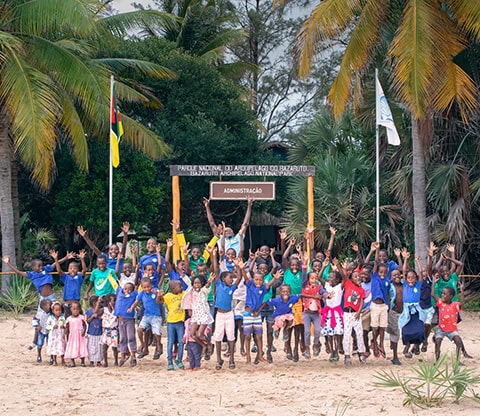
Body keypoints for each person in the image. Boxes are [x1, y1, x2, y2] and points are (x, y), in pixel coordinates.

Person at [239, 263, 278, 365]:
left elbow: (269, 285)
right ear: (253, 280)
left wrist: (275, 279)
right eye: (256, 279)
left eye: (260, 280)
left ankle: (260, 355)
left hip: (257, 315)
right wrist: (242, 268)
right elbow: (246, 278)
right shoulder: (250, 284)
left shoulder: (263, 288)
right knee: (247, 336)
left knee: (259, 336)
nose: (258, 281)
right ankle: (248, 357)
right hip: (248, 314)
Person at [431, 275, 468, 362]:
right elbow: (433, 294)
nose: (442, 295)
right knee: (438, 342)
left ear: (451, 296)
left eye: (444, 294)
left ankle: (458, 361)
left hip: (452, 330)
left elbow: (462, 302)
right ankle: (437, 360)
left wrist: (462, 291)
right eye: (442, 293)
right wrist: (433, 283)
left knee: (458, 342)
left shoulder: (455, 305)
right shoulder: (440, 303)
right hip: (441, 329)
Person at [280, 232, 305, 362]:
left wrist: (300, 253)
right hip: (287, 301)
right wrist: (289, 244)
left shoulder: (302, 273)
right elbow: (284, 257)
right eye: (292, 265)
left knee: (298, 327)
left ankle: (296, 348)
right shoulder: (287, 271)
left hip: (299, 301)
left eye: (297, 265)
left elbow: (304, 262)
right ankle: (288, 347)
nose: (294, 267)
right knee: (289, 325)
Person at [213, 268, 243, 370]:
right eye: (230, 278)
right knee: (218, 336)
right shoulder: (219, 285)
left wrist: (239, 267)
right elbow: (215, 267)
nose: (232, 280)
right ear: (223, 279)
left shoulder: (232, 288)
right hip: (220, 315)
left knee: (231, 335)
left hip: (229, 314)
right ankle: (218, 359)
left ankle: (231, 359)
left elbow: (239, 277)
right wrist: (213, 254)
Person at [398, 250, 426, 358]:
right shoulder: (404, 284)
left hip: (417, 310)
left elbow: (420, 273)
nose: (410, 280)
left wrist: (417, 261)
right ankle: (406, 349)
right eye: (409, 278)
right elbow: (404, 271)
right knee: (406, 331)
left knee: (419, 330)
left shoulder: (418, 285)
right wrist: (405, 259)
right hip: (407, 311)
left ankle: (417, 346)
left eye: (413, 278)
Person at [128, 277, 163, 361]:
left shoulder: (155, 291)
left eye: (148, 286)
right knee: (139, 330)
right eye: (145, 287)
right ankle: (143, 344)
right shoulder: (142, 293)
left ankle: (158, 345)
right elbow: (136, 301)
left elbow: (160, 301)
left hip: (156, 315)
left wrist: (158, 295)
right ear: (142, 287)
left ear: (151, 285)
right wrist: (131, 308)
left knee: (156, 332)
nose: (147, 289)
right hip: (146, 315)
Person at [265, 284, 301, 360]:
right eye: (283, 291)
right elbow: (267, 302)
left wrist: (314, 296)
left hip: (287, 317)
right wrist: (258, 310)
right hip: (278, 317)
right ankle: (277, 330)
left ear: (290, 292)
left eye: (287, 291)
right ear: (280, 292)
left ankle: (285, 331)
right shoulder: (277, 300)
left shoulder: (292, 298)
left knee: (291, 319)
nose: (285, 293)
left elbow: (301, 295)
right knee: (283, 320)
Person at [369, 242, 391, 359]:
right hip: (375, 306)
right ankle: (375, 344)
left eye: (384, 272)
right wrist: (376, 250)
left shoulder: (387, 280)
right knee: (375, 327)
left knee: (383, 327)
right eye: (380, 272)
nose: (382, 274)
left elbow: (387, 293)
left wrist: (388, 305)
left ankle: (381, 344)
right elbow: (377, 263)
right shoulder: (374, 276)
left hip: (383, 306)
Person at [302, 268, 328, 360]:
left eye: (316, 278)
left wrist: (327, 295)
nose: (314, 280)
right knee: (307, 332)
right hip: (307, 313)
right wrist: (304, 266)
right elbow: (304, 276)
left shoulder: (319, 288)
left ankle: (315, 344)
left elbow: (324, 292)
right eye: (312, 278)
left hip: (316, 314)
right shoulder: (305, 287)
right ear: (308, 280)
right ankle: (307, 347)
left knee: (317, 331)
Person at [51, 249, 86, 317]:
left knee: (78, 320)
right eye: (70, 268)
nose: (72, 269)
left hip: (76, 304)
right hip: (67, 304)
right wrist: (56, 259)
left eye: (74, 268)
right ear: (68, 270)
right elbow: (59, 271)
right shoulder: (66, 277)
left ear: (77, 270)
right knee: (67, 322)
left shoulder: (79, 277)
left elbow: (84, 270)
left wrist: (82, 259)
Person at [342, 271, 367, 365]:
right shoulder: (348, 284)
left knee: (359, 333)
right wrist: (339, 266)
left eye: (358, 276)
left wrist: (359, 312)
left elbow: (361, 302)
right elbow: (343, 275)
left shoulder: (361, 290)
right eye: (355, 276)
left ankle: (361, 353)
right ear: (351, 279)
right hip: (347, 314)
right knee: (347, 334)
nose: (357, 278)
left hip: (356, 314)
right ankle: (347, 355)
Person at [321, 269, 345, 362]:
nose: (329, 279)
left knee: (338, 332)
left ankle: (337, 348)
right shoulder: (327, 285)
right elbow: (319, 277)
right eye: (329, 277)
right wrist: (325, 266)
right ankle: (332, 351)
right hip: (328, 313)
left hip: (337, 312)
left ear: (337, 280)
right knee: (329, 333)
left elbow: (344, 278)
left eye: (332, 277)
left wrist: (340, 268)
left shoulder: (339, 287)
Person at [163, 280, 187, 371]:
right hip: (171, 322)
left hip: (180, 322)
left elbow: (189, 289)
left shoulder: (183, 294)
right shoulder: (168, 296)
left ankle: (179, 360)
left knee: (181, 342)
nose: (181, 288)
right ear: (173, 288)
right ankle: (169, 361)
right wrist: (159, 295)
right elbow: (159, 301)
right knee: (170, 342)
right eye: (179, 286)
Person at [114, 282, 138, 367]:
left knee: (131, 337)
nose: (127, 290)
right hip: (120, 321)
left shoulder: (133, 295)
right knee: (122, 338)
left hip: (129, 321)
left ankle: (133, 356)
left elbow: (138, 286)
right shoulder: (119, 292)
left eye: (129, 289)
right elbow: (115, 282)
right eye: (125, 289)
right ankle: (123, 356)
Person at [386, 268, 403, 365]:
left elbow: (404, 271)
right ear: (391, 278)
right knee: (395, 333)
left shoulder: (404, 285)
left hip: (404, 312)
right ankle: (395, 356)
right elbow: (388, 297)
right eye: (394, 275)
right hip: (393, 311)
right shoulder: (390, 286)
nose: (396, 277)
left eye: (398, 275)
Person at [64, 301, 88, 367]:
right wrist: (66, 334)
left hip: (80, 336)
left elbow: (84, 325)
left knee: (81, 347)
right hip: (72, 336)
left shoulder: (81, 317)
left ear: (79, 309)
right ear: (70, 310)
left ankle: (82, 361)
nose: (75, 311)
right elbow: (67, 327)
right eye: (74, 309)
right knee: (72, 347)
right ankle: (72, 361)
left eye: (77, 309)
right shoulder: (69, 319)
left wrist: (84, 331)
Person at [100, 293, 119, 367]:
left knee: (114, 347)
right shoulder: (104, 310)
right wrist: (99, 302)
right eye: (114, 301)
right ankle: (105, 362)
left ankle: (116, 361)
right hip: (106, 331)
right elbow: (96, 311)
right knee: (104, 347)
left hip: (114, 331)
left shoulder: (116, 310)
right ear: (109, 302)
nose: (115, 302)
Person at [45, 301, 66, 366]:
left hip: (60, 336)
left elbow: (66, 324)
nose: (58, 312)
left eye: (59, 310)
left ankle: (63, 360)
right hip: (53, 336)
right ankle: (55, 360)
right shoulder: (50, 318)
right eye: (56, 310)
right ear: (53, 311)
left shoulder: (62, 318)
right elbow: (47, 326)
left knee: (61, 347)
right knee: (54, 348)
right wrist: (52, 327)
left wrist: (64, 326)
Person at [85, 296, 103, 367]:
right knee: (91, 347)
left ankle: (99, 361)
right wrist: (92, 317)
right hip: (91, 333)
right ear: (93, 303)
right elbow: (87, 321)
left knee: (99, 348)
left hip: (99, 332)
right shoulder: (89, 311)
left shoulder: (101, 310)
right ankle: (91, 361)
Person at [33, 298, 52, 363]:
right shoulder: (40, 314)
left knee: (50, 344)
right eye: (48, 305)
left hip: (49, 331)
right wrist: (37, 325)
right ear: (43, 306)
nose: (50, 306)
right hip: (41, 331)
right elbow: (35, 320)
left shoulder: (51, 314)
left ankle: (51, 357)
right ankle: (39, 355)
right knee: (40, 343)